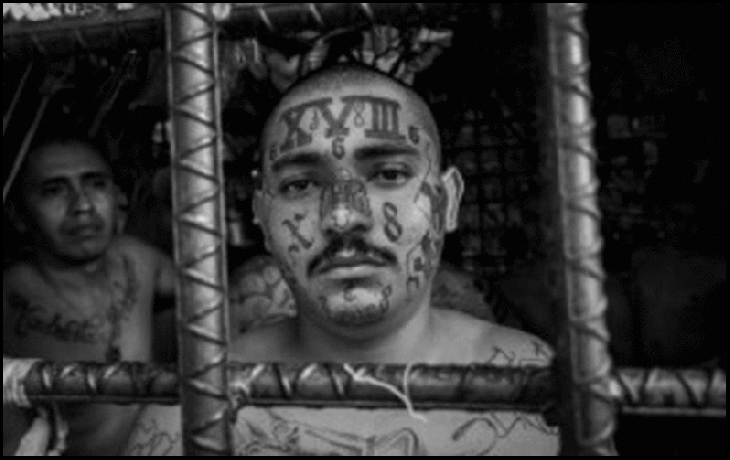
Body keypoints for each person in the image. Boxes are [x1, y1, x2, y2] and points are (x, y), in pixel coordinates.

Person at [124, 64, 558, 455]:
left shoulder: (539, 388)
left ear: (447, 202)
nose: (343, 217)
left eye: (389, 175)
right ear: (262, 215)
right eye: (300, 185)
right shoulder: (194, 410)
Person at [3, 133, 175, 456]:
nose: (82, 206)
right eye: (54, 190)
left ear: (116, 196)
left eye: (96, 184)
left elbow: (217, 295)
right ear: (17, 214)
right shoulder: (11, 297)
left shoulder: (139, 261)